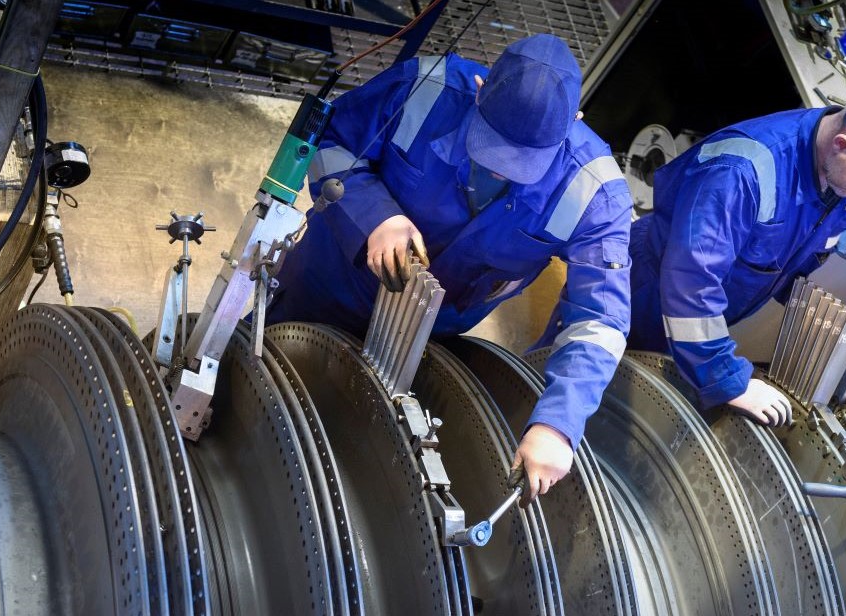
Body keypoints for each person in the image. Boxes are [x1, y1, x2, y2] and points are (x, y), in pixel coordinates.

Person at [267, 34, 632, 503]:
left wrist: (559, 424)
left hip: (426, 332)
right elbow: (332, 144)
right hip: (325, 280)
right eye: (493, 146)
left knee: (345, 436)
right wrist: (373, 216)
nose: (501, 170)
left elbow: (599, 320)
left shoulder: (596, 193)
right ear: (479, 88)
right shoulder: (425, 88)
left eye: (523, 162)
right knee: (264, 372)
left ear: (575, 124)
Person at [626, 80, 846, 426]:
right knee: (592, 411)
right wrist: (729, 381)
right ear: (842, 145)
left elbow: (840, 226)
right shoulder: (741, 173)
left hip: (694, 321)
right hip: (637, 298)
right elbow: (690, 286)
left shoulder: (841, 172)